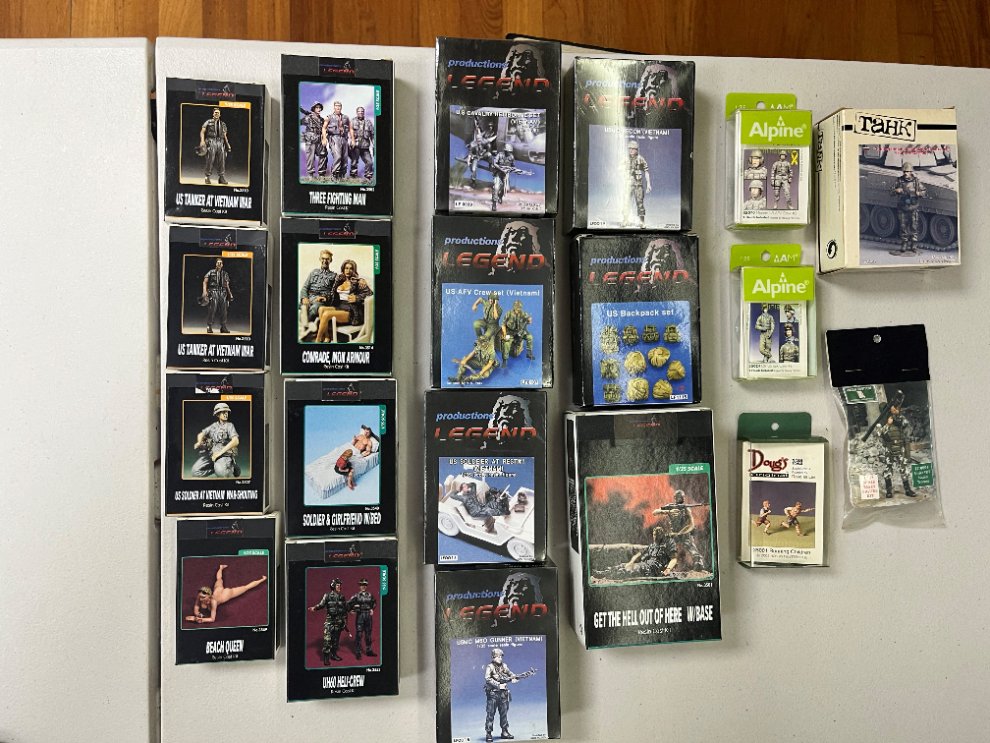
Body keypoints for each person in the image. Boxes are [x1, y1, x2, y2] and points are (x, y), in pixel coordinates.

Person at [185, 564, 267, 624]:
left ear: (209, 596)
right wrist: (197, 614)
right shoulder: (200, 595)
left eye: (203, 597)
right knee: (219, 579)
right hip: (218, 590)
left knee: (246, 588)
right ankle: (221, 567)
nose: (200, 599)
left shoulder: (213, 602)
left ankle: (262, 580)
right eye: (200, 597)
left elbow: (212, 619)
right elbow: (196, 606)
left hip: (226, 594)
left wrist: (200, 619)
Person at [314, 259, 374, 342]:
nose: (348, 271)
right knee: (321, 309)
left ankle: (317, 340)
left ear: (354, 270)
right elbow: (333, 293)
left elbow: (370, 293)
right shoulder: (340, 280)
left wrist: (357, 298)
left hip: (351, 310)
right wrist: (325, 298)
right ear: (343, 269)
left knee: (326, 314)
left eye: (351, 268)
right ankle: (327, 336)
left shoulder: (358, 282)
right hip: (340, 306)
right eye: (346, 268)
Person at [595, 524, 678, 578]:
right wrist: (631, 562)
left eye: (658, 535)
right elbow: (639, 554)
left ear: (662, 535)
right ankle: (604, 573)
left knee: (630, 570)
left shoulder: (668, 544)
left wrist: (668, 569)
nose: (656, 537)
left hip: (654, 568)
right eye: (654, 534)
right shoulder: (652, 546)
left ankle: (607, 575)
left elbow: (674, 559)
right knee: (623, 565)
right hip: (646, 564)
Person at [652, 490, 706, 571]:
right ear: (675, 498)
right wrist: (668, 511)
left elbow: (691, 524)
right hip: (673, 534)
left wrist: (680, 533)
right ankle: (662, 563)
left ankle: (698, 562)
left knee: (690, 546)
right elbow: (654, 512)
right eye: (680, 497)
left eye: (683, 497)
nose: (682, 498)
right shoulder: (670, 506)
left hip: (683, 533)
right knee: (665, 548)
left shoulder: (686, 509)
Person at [876, 396, 917, 498]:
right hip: (889, 449)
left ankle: (908, 490)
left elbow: (906, 424)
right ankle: (889, 491)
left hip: (899, 447)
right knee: (888, 470)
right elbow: (880, 434)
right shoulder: (880, 423)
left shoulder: (897, 418)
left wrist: (897, 414)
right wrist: (888, 424)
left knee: (903, 469)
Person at [191, 402, 240, 478]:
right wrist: (199, 442)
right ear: (217, 414)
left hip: (224, 454)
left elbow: (235, 441)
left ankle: (232, 466)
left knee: (222, 475)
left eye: (227, 412)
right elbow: (201, 434)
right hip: (212, 454)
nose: (226, 414)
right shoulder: (214, 426)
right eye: (223, 412)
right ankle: (216, 468)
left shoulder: (229, 426)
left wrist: (219, 453)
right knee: (195, 472)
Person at [891, 162, 927, 256]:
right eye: (904, 171)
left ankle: (913, 245)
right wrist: (896, 190)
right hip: (902, 207)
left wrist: (920, 193)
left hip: (913, 207)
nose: (906, 173)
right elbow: (891, 191)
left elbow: (924, 191)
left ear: (911, 172)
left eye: (907, 171)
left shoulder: (916, 181)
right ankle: (904, 243)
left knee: (914, 227)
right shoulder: (899, 181)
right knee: (903, 227)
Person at [309, 577, 348, 664]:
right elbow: (321, 604)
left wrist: (345, 621)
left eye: (340, 585)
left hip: (339, 622)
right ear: (333, 586)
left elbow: (345, 610)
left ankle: (334, 655)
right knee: (327, 640)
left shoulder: (342, 597)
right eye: (337, 585)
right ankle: (326, 658)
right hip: (330, 621)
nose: (339, 587)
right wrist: (315, 608)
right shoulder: (327, 595)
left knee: (336, 641)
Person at [483, 648, 519, 742]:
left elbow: (510, 673)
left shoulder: (504, 666)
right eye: (497, 656)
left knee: (504, 714)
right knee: (490, 714)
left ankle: (504, 731)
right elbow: (487, 679)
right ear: (493, 657)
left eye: (500, 656)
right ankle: (488, 733)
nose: (499, 658)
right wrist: (499, 685)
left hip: (503, 694)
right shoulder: (490, 667)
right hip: (493, 694)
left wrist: (514, 677)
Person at [300, 249, 337, 332]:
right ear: (320, 259)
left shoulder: (334, 276)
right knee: (302, 307)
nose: (325, 261)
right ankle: (307, 327)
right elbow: (305, 287)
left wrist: (324, 297)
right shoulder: (313, 272)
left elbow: (333, 293)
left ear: (331, 260)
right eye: (323, 258)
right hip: (310, 298)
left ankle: (305, 329)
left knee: (314, 308)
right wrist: (304, 298)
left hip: (320, 301)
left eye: (327, 259)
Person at [622, 140, 651, 228]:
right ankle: (625, 220)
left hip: (638, 185)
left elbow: (646, 171)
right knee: (626, 202)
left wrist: (648, 184)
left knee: (640, 203)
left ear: (636, 149)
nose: (631, 150)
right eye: (629, 148)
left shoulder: (640, 159)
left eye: (633, 148)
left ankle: (642, 222)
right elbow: (619, 169)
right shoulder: (625, 159)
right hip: (628, 185)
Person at [201, 257, 233, 334]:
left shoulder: (225, 274)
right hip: (213, 292)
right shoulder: (211, 272)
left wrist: (230, 294)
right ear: (216, 264)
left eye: (220, 263)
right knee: (212, 309)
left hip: (223, 292)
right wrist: (204, 291)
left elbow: (227, 285)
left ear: (222, 265)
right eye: (218, 262)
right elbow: (205, 282)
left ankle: (223, 327)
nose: (219, 264)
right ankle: (209, 326)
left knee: (224, 310)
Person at [347, 579, 377, 660]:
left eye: (365, 585)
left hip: (368, 616)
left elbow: (374, 602)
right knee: (359, 634)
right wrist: (350, 610)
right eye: (361, 585)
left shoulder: (370, 595)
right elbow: (348, 603)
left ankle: (369, 650)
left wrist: (372, 608)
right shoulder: (356, 596)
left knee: (368, 634)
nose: (363, 586)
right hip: (360, 615)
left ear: (366, 586)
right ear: (359, 586)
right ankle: (358, 652)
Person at [200, 107, 231, 185]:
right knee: (210, 159)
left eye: (218, 113)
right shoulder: (208, 122)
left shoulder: (223, 124)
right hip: (211, 141)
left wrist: (227, 144)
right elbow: (202, 131)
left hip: (220, 142)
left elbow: (225, 135)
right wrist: (202, 141)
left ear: (220, 114)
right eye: (215, 112)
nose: (216, 114)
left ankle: (221, 177)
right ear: (213, 114)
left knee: (222, 160)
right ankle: (207, 177)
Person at [321, 100, 350, 181]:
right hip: (334, 137)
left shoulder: (345, 117)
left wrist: (351, 138)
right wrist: (324, 138)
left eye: (339, 106)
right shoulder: (329, 117)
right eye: (336, 106)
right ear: (334, 107)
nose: (338, 107)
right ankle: (334, 174)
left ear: (341, 107)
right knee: (337, 156)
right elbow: (324, 128)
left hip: (343, 138)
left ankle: (342, 175)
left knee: (344, 158)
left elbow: (349, 127)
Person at [501, 300, 535, 366]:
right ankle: (505, 360)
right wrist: (504, 334)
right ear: (514, 307)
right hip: (510, 332)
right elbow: (503, 324)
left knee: (530, 337)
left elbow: (529, 320)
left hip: (520, 332)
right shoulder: (509, 314)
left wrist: (529, 320)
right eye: (516, 308)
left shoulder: (523, 314)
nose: (518, 310)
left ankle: (529, 353)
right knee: (506, 343)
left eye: (519, 308)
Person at [299, 102, 327, 180]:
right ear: (313, 109)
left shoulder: (322, 119)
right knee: (310, 158)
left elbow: (324, 129)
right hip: (310, 139)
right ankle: (310, 175)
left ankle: (321, 174)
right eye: (317, 108)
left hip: (319, 139)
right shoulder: (308, 118)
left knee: (323, 155)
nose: (319, 109)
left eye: (320, 108)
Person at [467, 120, 497, 189]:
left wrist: (496, 136)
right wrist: (468, 161)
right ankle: (473, 181)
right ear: (476, 140)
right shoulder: (473, 144)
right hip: (476, 157)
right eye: (478, 140)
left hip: (482, 155)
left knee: (489, 154)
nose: (480, 141)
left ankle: (490, 165)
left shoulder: (483, 141)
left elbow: (490, 140)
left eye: (480, 140)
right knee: (474, 169)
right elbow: (470, 154)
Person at [348, 106, 375, 181]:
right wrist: (352, 141)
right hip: (356, 146)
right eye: (359, 111)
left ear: (364, 112)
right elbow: (350, 131)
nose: (360, 113)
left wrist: (374, 144)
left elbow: (372, 134)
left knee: (369, 162)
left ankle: (368, 177)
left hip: (365, 146)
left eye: (362, 111)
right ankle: (353, 177)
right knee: (354, 161)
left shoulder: (368, 122)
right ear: (357, 112)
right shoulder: (353, 121)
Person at [490, 144, 516, 210]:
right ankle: (494, 204)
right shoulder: (500, 155)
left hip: (505, 175)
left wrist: (513, 169)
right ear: (505, 151)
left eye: (510, 152)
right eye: (508, 151)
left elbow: (513, 166)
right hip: (498, 173)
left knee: (506, 189)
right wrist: (501, 169)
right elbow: (494, 163)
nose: (509, 153)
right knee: (496, 188)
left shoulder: (511, 157)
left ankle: (500, 196)